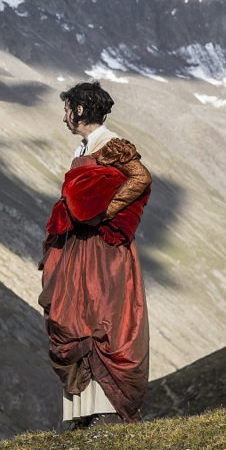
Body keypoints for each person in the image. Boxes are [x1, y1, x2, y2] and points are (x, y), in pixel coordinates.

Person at [37, 82, 152, 429]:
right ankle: (83, 412)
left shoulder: (111, 144)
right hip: (82, 245)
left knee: (103, 318)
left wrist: (106, 211)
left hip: (104, 248)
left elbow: (141, 178)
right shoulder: (84, 148)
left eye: (67, 110)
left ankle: (106, 410)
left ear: (80, 110)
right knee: (77, 316)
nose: (64, 118)